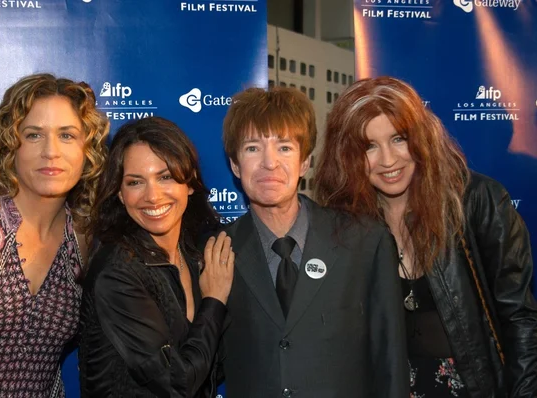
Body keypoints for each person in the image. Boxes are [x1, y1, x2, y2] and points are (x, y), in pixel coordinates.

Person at [314, 76, 537, 398]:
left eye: (399, 139)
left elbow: (519, 318)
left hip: (473, 387)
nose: (388, 160)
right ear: (347, 156)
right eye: (369, 147)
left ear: (420, 137)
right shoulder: (345, 221)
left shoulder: (477, 201)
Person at [219, 86, 408, 397]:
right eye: (253, 148)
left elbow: (390, 361)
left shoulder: (364, 240)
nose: (269, 164)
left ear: (304, 162)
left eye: (284, 148)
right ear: (236, 165)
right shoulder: (216, 250)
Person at [0, 73, 109, 397]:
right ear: (10, 144)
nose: (51, 152)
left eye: (67, 135)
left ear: (88, 150)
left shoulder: (84, 238)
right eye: (33, 135)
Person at [79, 116, 234, 398]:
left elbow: (210, 367)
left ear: (189, 183)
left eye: (165, 177)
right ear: (121, 194)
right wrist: (214, 301)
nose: (152, 196)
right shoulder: (116, 272)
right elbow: (177, 382)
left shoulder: (195, 254)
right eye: (135, 182)